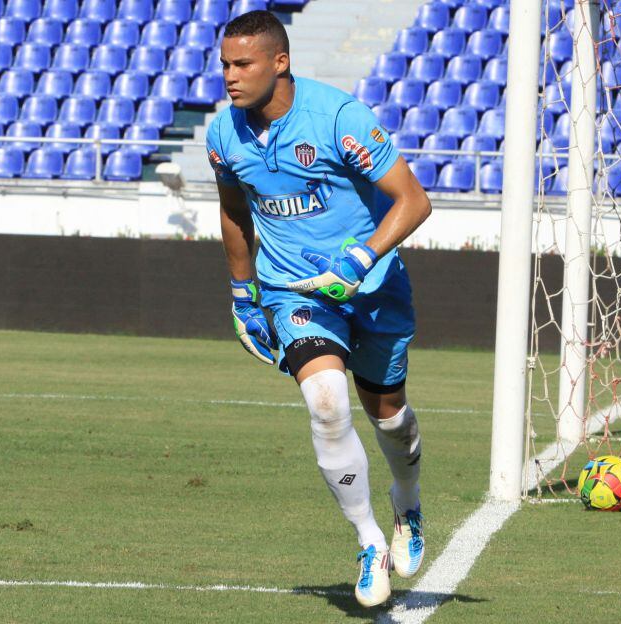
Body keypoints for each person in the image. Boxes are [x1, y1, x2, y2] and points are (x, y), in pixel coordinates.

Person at [206, 10, 433, 608]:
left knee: (390, 417)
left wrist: (360, 260)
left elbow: (413, 201)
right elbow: (234, 211)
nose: (229, 76)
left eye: (242, 64)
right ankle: (368, 541)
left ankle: (407, 502)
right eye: (225, 63)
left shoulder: (338, 117)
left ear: (279, 63)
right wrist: (241, 291)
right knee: (327, 404)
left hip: (372, 285)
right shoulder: (224, 135)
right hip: (294, 292)